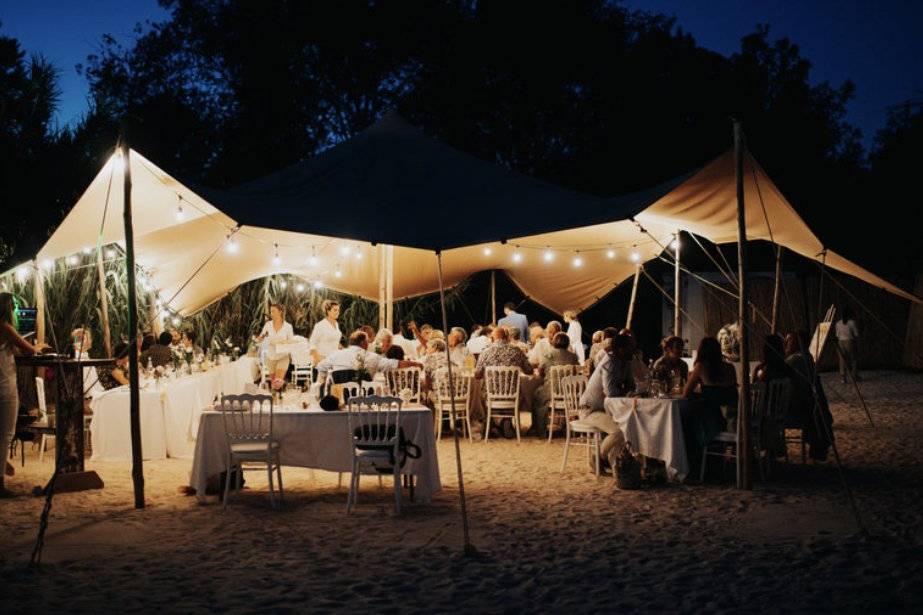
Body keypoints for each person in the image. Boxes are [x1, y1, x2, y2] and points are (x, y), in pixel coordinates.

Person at [1, 292, 49, 496]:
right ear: (7, 307)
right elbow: (29, 350)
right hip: (4, 384)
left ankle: (3, 465)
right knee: (6, 433)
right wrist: (38, 346)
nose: (16, 311)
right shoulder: (4, 326)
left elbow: (15, 350)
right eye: (13, 307)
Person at [577, 334, 635, 471]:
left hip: (606, 409)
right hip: (590, 409)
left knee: (630, 424)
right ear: (621, 349)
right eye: (630, 348)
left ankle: (616, 460)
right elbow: (611, 392)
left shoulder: (625, 362)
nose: (633, 350)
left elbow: (631, 386)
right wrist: (623, 389)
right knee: (620, 430)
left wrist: (622, 388)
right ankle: (597, 458)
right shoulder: (609, 362)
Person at [682, 337, 738, 472]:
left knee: (685, 419)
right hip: (733, 418)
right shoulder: (730, 367)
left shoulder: (701, 366)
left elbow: (686, 393)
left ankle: (695, 464)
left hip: (715, 420)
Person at [473, 326, 534, 438]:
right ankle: (505, 421)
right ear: (507, 337)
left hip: (491, 396)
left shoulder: (485, 352)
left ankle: (494, 424)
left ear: (492, 338)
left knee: (480, 394)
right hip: (513, 396)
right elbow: (529, 370)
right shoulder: (517, 351)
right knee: (522, 392)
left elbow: (477, 375)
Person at [785, 331, 834, 461]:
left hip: (798, 412)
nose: (786, 344)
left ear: (796, 343)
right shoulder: (807, 358)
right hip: (810, 409)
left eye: (789, 341)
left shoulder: (795, 360)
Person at [315, 330, 421, 385]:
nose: (368, 343)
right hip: (364, 400)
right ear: (362, 342)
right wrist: (415, 364)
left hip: (339, 399)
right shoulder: (372, 356)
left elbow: (320, 367)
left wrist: (323, 385)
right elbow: (395, 363)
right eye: (367, 341)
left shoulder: (336, 354)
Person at [532, 332, 579, 437]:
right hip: (569, 393)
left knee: (536, 397)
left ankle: (539, 430)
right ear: (567, 343)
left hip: (550, 391)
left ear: (553, 343)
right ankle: (569, 427)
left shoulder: (548, 354)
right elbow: (576, 373)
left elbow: (540, 373)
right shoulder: (573, 357)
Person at [255, 303, 294, 381]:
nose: (271, 314)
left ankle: (279, 390)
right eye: (271, 311)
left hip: (283, 356)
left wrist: (283, 343)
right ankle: (277, 392)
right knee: (274, 383)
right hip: (271, 357)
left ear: (280, 312)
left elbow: (291, 342)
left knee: (278, 381)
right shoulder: (267, 325)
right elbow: (261, 337)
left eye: (273, 311)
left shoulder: (288, 326)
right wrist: (259, 338)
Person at [308, 300, 342, 365]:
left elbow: (335, 341)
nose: (338, 312)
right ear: (328, 311)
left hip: (334, 359)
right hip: (323, 358)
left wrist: (345, 350)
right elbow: (312, 343)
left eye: (338, 310)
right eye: (335, 310)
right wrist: (317, 358)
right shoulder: (320, 325)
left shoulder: (336, 324)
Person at [835, 307, 860, 383]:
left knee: (842, 360)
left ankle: (843, 378)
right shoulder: (852, 322)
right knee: (853, 359)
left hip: (840, 342)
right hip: (849, 341)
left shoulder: (838, 323)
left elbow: (837, 335)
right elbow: (856, 334)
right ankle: (854, 376)